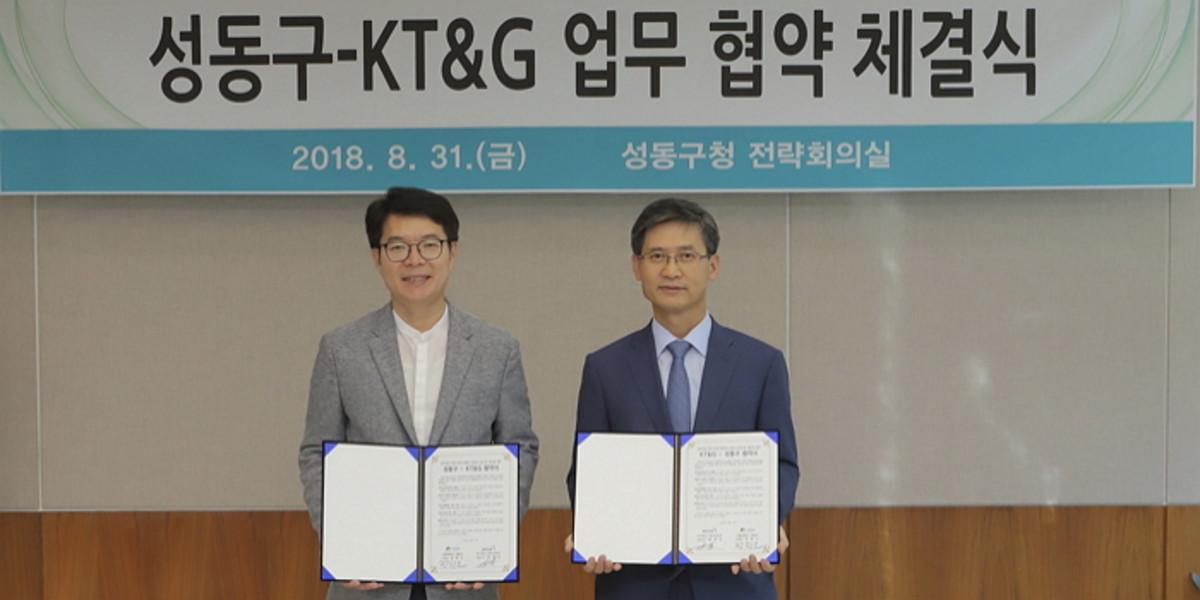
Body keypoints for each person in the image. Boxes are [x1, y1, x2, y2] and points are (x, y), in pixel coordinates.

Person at [299, 187, 539, 600]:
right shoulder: (341, 349)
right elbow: (316, 453)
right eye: (398, 247)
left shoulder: (497, 349)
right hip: (369, 579)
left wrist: (492, 542)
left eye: (429, 245)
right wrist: (340, 542)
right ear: (376, 257)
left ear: (452, 251)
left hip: (463, 583)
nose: (415, 260)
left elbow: (520, 448)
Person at [565, 197, 800, 600]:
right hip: (633, 584)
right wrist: (593, 529)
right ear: (636, 266)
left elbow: (783, 463)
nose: (671, 270)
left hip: (734, 581)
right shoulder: (605, 367)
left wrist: (764, 524)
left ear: (713, 266)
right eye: (657, 256)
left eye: (687, 256)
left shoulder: (761, 363)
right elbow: (588, 469)